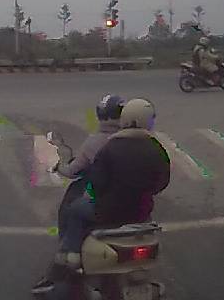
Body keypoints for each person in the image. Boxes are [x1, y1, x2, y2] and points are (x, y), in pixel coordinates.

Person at [38, 99, 171, 297]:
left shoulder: (111, 147)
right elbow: (162, 182)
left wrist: (90, 197)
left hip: (107, 211)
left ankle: (71, 255)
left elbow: (97, 183)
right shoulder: (156, 148)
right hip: (141, 212)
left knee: (75, 209)